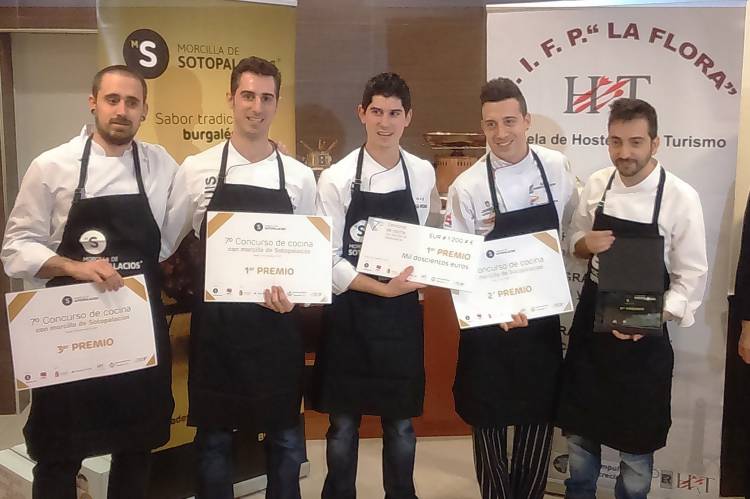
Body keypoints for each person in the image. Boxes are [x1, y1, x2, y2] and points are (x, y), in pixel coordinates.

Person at [1, 64, 177, 499]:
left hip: (135, 331)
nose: (122, 110)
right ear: (93, 102)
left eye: (132, 102)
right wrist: (74, 267)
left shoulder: (160, 164)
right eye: (112, 100)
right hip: (71, 332)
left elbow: (194, 209)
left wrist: (271, 156)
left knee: (135, 446)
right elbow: (15, 249)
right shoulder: (52, 166)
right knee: (59, 452)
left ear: (144, 110)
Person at [163, 56, 316, 499]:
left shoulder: (299, 176)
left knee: (285, 439)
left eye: (267, 98)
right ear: (230, 98)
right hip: (218, 330)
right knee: (214, 440)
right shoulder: (196, 169)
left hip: (277, 326)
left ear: (277, 103)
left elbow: (310, 253)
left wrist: (298, 296)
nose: (257, 107)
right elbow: (166, 241)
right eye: (248, 96)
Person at [557, 98, 708, 499]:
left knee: (637, 450)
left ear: (655, 143)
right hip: (592, 323)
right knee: (580, 437)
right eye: (616, 141)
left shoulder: (680, 197)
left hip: (646, 329)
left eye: (636, 142)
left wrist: (652, 317)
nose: (624, 152)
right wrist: (585, 243)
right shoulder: (597, 184)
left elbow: (691, 277)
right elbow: (574, 242)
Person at [443, 77, 578, 499]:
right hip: (488, 325)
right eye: (490, 124)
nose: (500, 133)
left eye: (509, 121)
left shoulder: (555, 168)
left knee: (537, 417)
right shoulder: (467, 186)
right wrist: (493, 310)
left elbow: (568, 232)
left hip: (540, 321)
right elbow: (457, 264)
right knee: (488, 420)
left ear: (526, 120)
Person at [311, 72, 436, 499]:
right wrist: (381, 288)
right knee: (342, 425)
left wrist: (429, 271)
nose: (385, 122)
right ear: (361, 113)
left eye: (394, 113)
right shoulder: (337, 178)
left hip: (400, 318)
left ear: (408, 117)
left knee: (400, 424)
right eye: (377, 112)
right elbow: (328, 258)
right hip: (350, 315)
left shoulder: (421, 173)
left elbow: (425, 241)